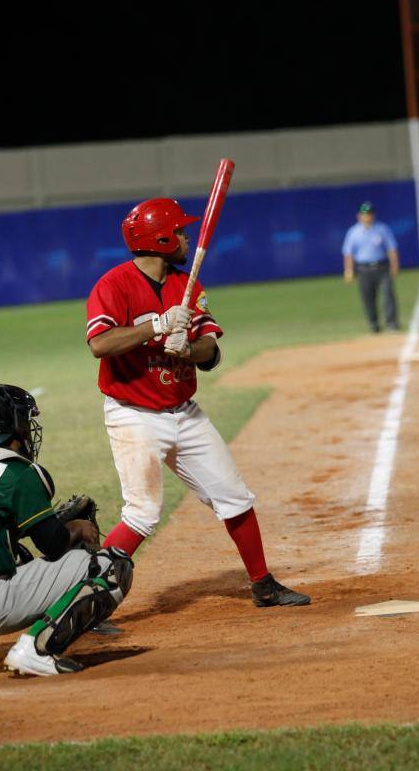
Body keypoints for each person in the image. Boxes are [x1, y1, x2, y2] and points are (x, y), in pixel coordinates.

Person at [85, 197, 310, 608]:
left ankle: (263, 584)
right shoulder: (114, 285)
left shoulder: (186, 285)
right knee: (142, 513)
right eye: (181, 232)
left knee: (234, 495)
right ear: (162, 237)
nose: (187, 238)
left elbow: (212, 352)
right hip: (134, 415)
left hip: (184, 412)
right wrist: (156, 325)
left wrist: (188, 348)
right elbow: (100, 343)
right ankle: (85, 602)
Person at [0, 383, 134, 677]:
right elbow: (53, 545)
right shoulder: (18, 471)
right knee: (114, 567)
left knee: (11, 551)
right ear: (14, 424)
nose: (29, 428)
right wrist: (76, 528)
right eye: (25, 420)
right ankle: (37, 649)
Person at [342, 201, 401, 332]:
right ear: (359, 216)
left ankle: (391, 323)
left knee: (388, 295)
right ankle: (373, 323)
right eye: (364, 214)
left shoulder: (382, 229)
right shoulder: (353, 232)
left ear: (373, 215)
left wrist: (395, 264)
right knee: (368, 297)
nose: (367, 216)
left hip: (382, 267)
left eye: (369, 214)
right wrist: (349, 270)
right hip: (364, 269)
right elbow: (348, 253)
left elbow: (391, 248)